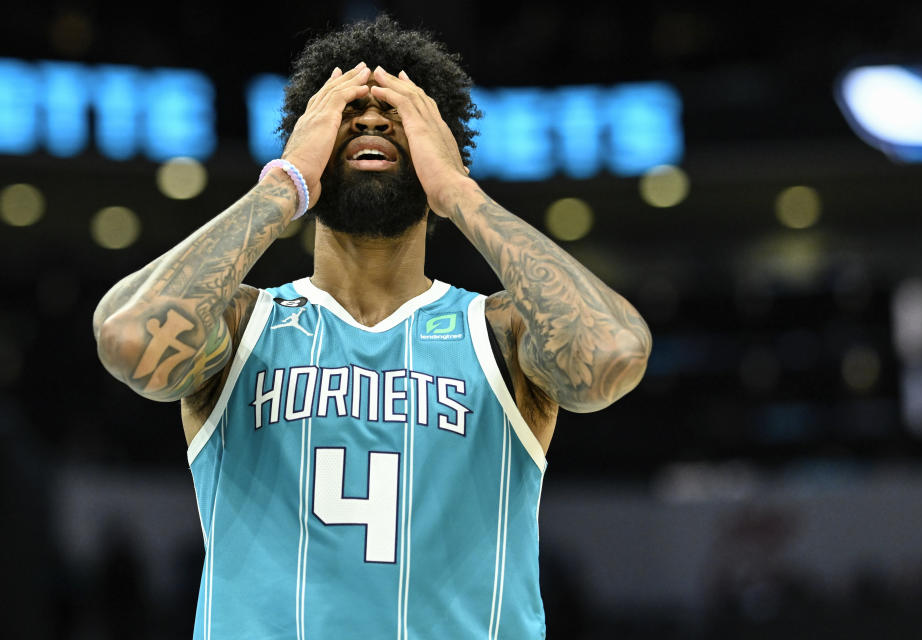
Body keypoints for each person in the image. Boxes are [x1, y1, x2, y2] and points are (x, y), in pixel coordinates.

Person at [93, 15, 651, 640]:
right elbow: (128, 337)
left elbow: (612, 352)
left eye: (401, 114)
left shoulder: (500, 333)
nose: (371, 121)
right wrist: (284, 183)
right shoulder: (240, 324)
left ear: (441, 142)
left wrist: (460, 193)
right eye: (345, 113)